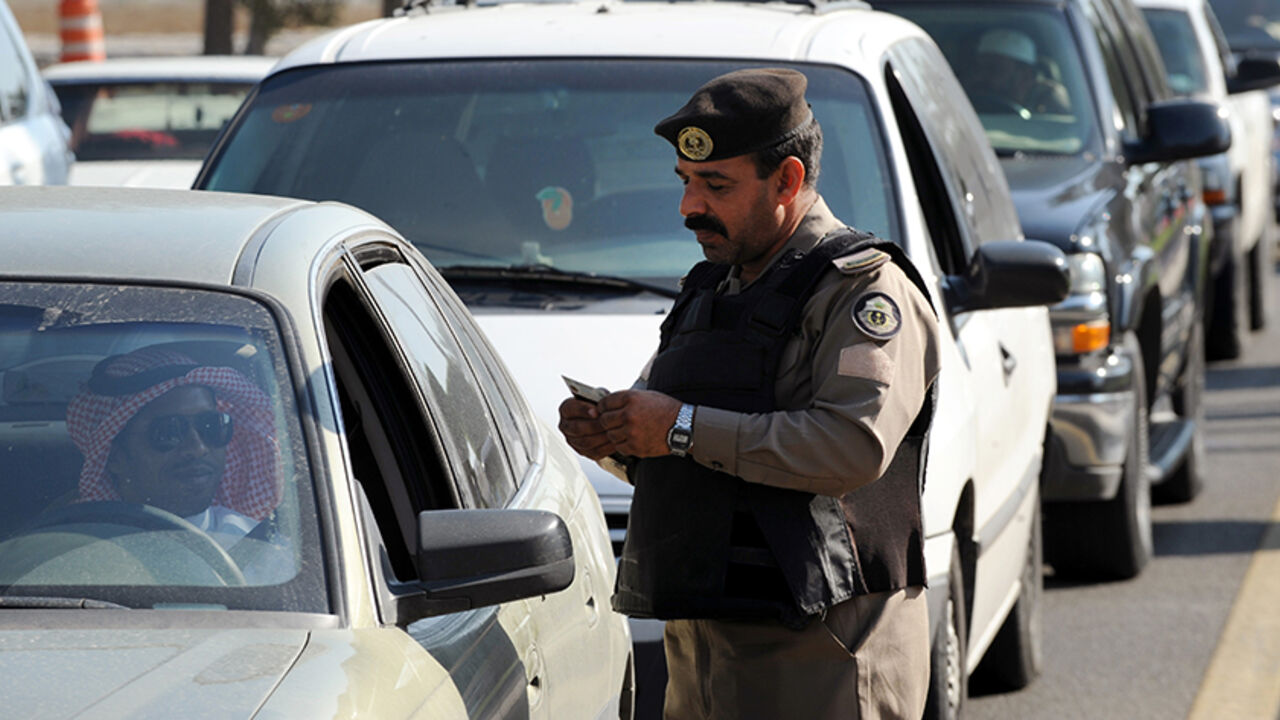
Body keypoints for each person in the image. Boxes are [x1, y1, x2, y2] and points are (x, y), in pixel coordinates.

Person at [557, 68, 941, 719]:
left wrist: (675, 427)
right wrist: (617, 437)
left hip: (821, 664)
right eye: (685, 182)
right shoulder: (713, 288)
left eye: (716, 184)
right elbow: (685, 440)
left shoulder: (863, 291)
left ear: (788, 180)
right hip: (706, 657)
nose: (689, 207)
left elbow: (850, 447)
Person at [64, 345, 290, 583]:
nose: (198, 448)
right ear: (115, 458)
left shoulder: (262, 548)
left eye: (211, 426)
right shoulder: (71, 551)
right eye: (169, 432)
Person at [967, 28, 1071, 115]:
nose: (980, 77)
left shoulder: (1043, 106)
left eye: (993, 69)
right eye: (978, 69)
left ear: (1026, 76)